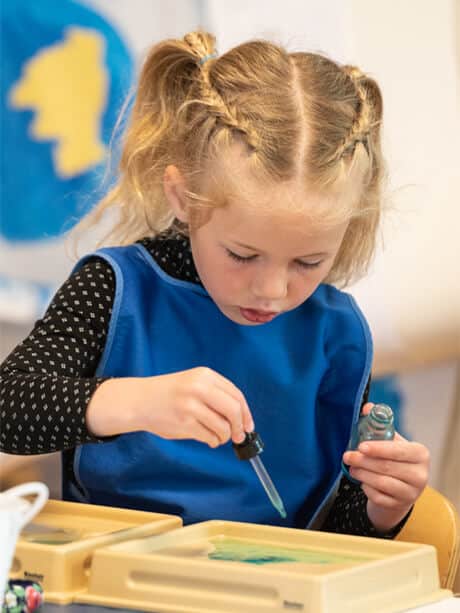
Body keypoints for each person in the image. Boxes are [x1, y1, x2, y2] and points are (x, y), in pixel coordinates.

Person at [0, 31, 430, 536]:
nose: (272, 290)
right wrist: (137, 402)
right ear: (183, 197)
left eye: (308, 262)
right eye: (242, 255)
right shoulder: (116, 290)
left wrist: (385, 506)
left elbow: (337, 530)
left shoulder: (336, 333)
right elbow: (10, 407)